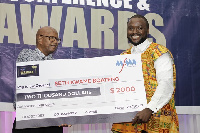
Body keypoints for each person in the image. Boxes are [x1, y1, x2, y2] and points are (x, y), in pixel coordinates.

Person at [111, 15, 179, 133]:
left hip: (156, 119)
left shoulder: (159, 52)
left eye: (139, 28)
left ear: (147, 31)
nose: (135, 32)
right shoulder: (123, 57)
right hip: (129, 121)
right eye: (131, 28)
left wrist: (149, 109)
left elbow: (166, 84)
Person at [13, 26, 63, 133]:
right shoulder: (27, 54)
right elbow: (33, 82)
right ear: (40, 39)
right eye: (51, 38)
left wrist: (64, 114)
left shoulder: (56, 64)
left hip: (51, 121)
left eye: (57, 39)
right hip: (29, 120)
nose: (55, 42)